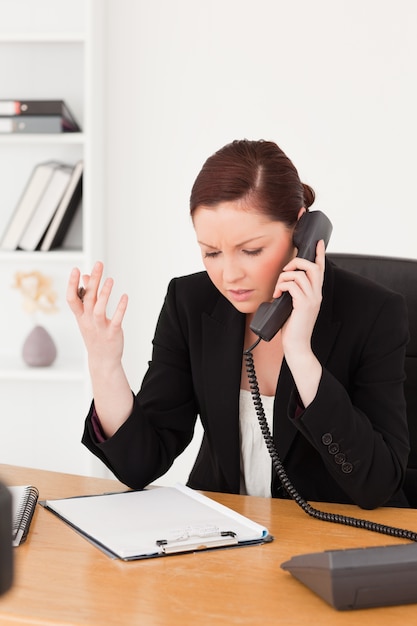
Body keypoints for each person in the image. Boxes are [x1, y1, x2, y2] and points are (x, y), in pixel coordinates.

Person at [67, 139, 410, 509]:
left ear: (301, 230)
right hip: (225, 539)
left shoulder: (374, 312)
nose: (229, 275)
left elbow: (377, 485)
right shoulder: (190, 302)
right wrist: (104, 362)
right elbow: (140, 464)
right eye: (211, 253)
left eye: (251, 251)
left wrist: (300, 353)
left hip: (331, 543)